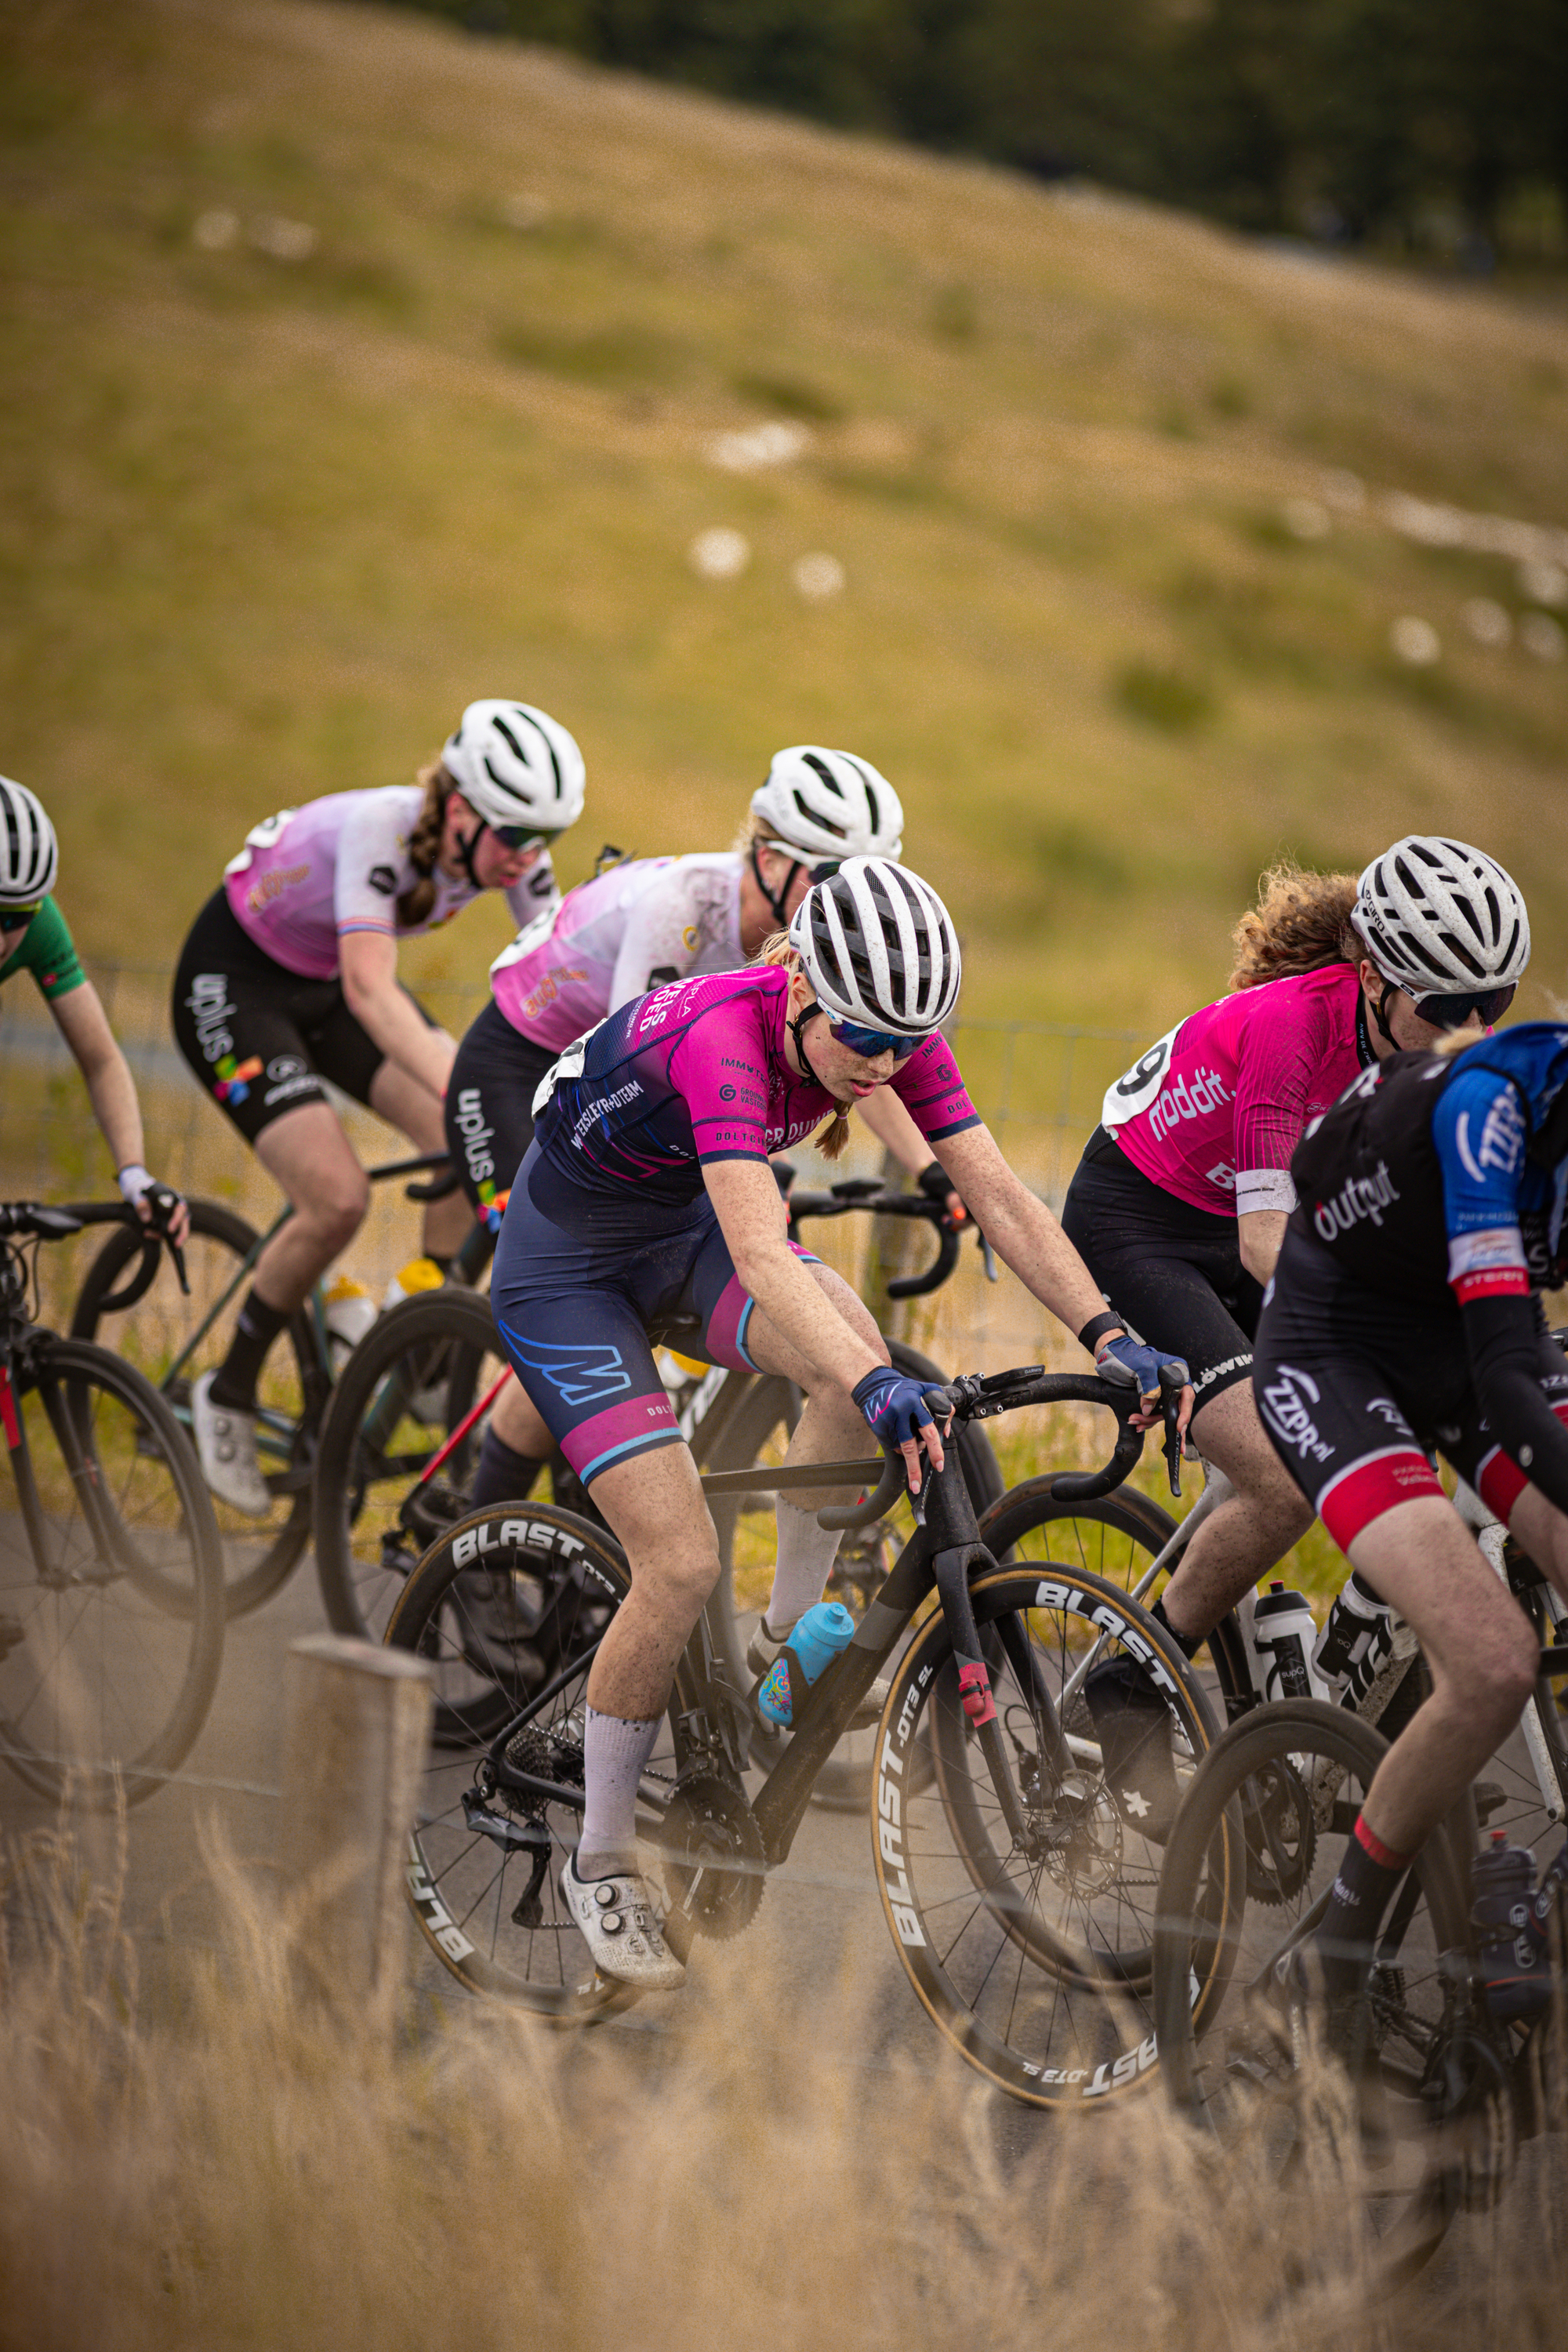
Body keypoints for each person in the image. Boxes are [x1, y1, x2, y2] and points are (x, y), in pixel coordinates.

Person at [488, 856, 1194, 1987]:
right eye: (860, 1038)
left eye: (904, 1045)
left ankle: (778, 1649)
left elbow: (1005, 1195)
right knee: (675, 1562)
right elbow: (764, 1254)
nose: (881, 1067)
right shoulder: (725, 1033)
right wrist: (872, 1384)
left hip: (676, 1233)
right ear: (802, 985)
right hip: (566, 1271)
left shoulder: (890, 1030)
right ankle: (603, 1858)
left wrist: (1109, 1331)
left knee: (848, 1345)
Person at [1058, 837, 1530, 1831]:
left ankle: (1343, 1697)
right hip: (1141, 1222)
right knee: (1276, 1473)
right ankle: (1129, 1680)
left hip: (1236, 1228)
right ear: (1369, 978)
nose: (1469, 1033)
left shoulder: (1420, 1058)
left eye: (1494, 1003)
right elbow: (1268, 1244)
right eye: (1443, 1008)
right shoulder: (1289, 1028)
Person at [444, 744, 965, 1516]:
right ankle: (483, 1518)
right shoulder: (682, 912)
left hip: (661, 1101)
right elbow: (638, 1070)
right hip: (529, 1070)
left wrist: (930, 1168)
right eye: (831, 877)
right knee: (583, 1301)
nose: (851, 899)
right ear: (768, 858)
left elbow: (857, 1047)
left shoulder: (817, 953)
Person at [170, 699, 585, 1514]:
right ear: (459, 809)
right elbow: (370, 988)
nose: (528, 857)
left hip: (322, 986)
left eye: (547, 840)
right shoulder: (380, 833)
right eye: (513, 835)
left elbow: (564, 968)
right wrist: (483, 1085)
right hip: (237, 982)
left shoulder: (509, 851)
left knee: (457, 1134)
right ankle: (230, 1388)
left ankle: (409, 1334)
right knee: (336, 1199)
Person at [1254, 997, 1568, 2041]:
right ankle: (1332, 1959)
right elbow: (1511, 1384)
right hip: (1339, 1353)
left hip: (1469, 1338)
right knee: (1492, 1661)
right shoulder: (1487, 1112)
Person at [0, 775, 188, 1243]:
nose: (0, 941)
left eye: (14, 918)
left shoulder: (42, 926)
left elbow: (101, 1059)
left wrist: (134, 1176)